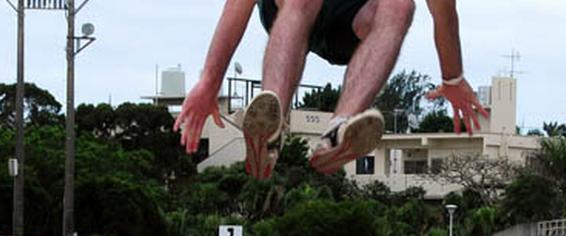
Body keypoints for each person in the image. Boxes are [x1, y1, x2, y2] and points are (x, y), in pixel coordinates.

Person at [175, 0, 488, 180]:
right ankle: (269, 122)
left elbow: (444, 11)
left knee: (400, 5)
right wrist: (209, 81)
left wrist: (453, 79)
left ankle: (339, 129)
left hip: (350, 23)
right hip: (288, 11)